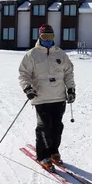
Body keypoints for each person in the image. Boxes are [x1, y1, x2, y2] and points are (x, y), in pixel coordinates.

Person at [18, 24, 76, 172]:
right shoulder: (31, 55)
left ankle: (53, 151)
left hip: (59, 97)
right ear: (39, 37)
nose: (48, 40)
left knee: (57, 127)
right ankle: (43, 156)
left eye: (50, 37)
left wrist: (71, 89)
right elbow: (23, 74)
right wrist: (28, 88)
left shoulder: (61, 54)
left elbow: (68, 73)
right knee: (44, 127)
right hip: (41, 98)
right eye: (45, 37)